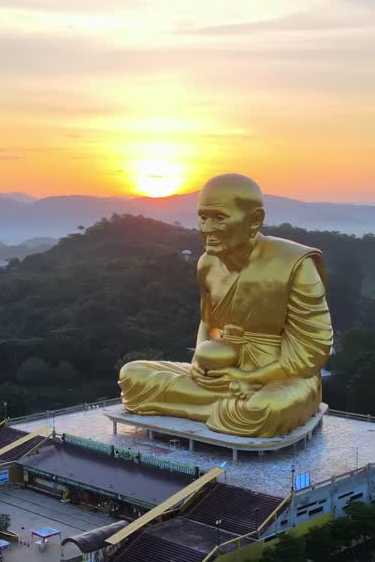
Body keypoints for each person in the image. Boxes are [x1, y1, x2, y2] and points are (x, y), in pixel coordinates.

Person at [119, 173, 333, 438]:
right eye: (202, 217)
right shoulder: (207, 264)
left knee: (262, 409)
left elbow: (311, 350)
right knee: (131, 375)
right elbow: (208, 323)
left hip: (279, 377)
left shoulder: (295, 264)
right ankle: (220, 410)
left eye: (219, 218)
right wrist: (200, 362)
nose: (206, 228)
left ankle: (207, 407)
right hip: (219, 374)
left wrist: (253, 378)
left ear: (254, 220)